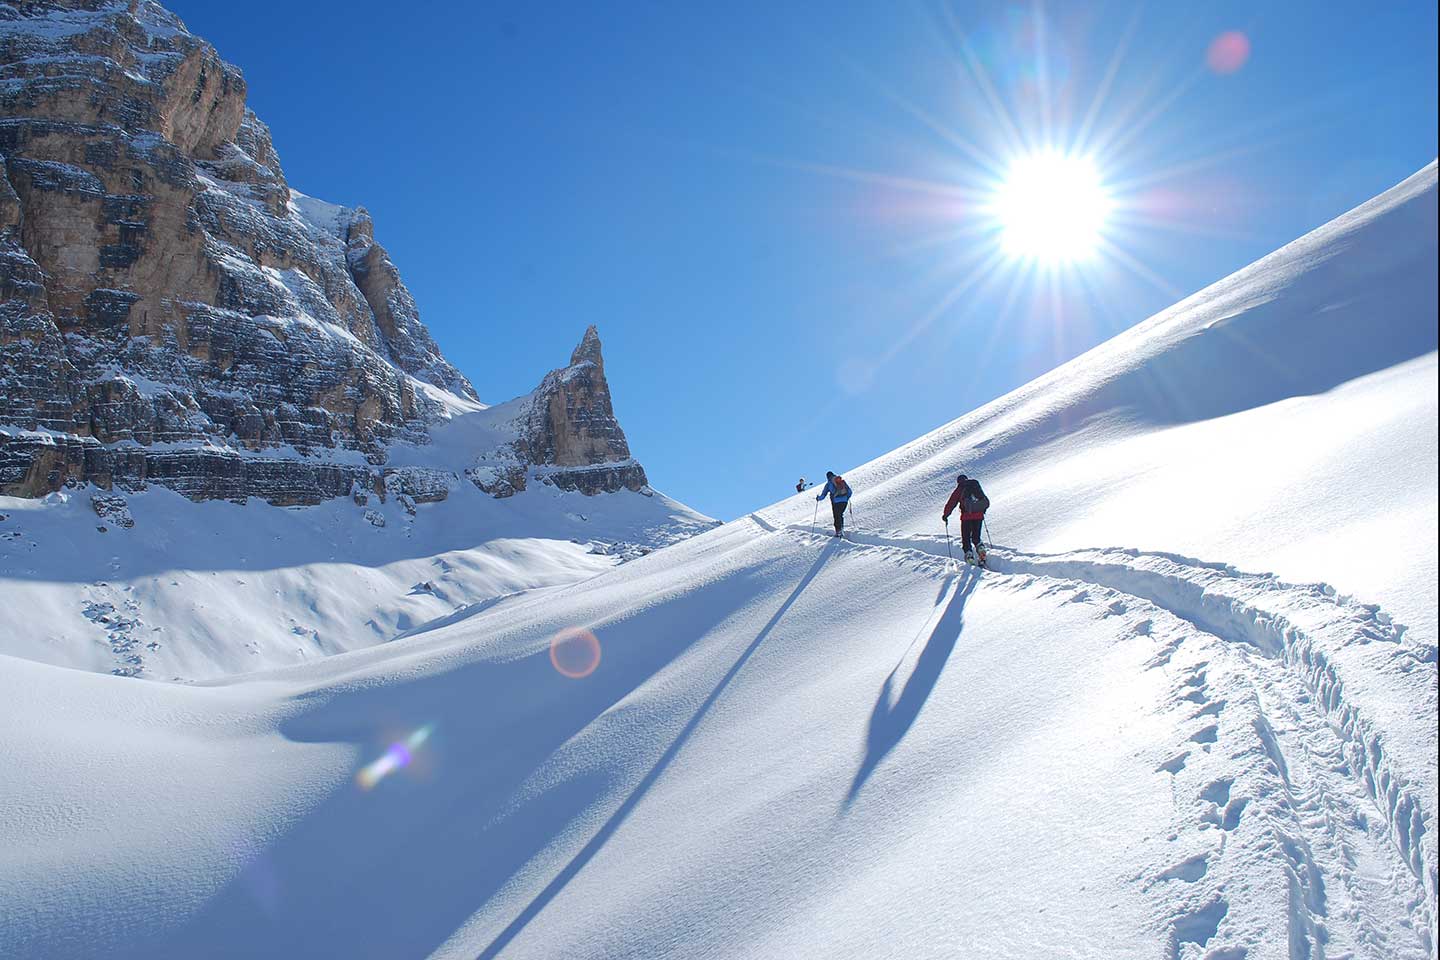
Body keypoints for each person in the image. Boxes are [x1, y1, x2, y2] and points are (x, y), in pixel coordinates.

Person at [942, 473, 989, 565]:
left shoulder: (960, 489)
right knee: (976, 536)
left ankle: (969, 556)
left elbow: (951, 503)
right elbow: (982, 499)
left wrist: (945, 515)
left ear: (958, 482)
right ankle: (981, 550)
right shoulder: (975, 486)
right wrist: (982, 511)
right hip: (979, 516)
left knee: (966, 538)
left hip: (966, 517)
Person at [815, 470, 853, 536]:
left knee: (836, 516)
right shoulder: (841, 481)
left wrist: (818, 498)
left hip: (836, 502)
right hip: (844, 502)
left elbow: (823, 495)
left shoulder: (829, 483)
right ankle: (841, 529)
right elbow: (850, 491)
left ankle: (838, 531)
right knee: (840, 515)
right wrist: (846, 498)